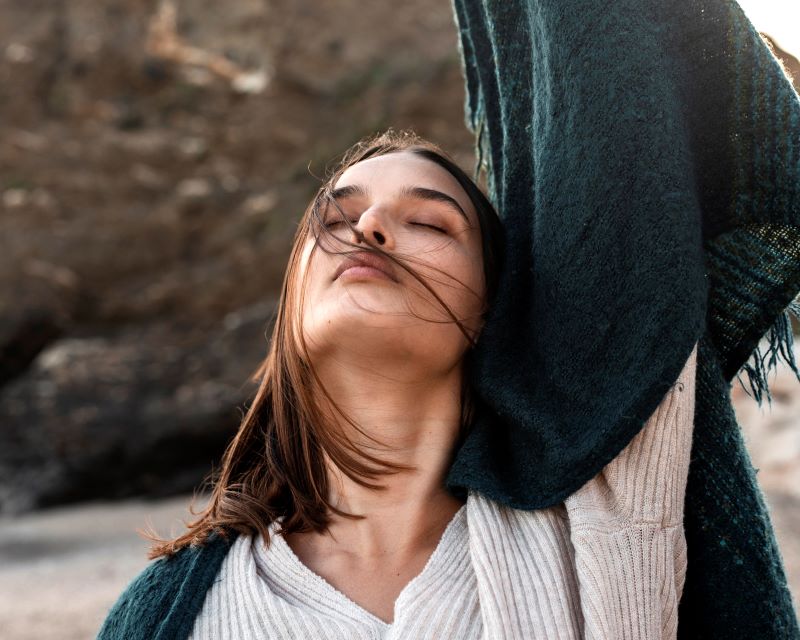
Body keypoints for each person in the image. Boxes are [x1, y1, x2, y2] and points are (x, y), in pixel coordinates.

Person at [97, 129, 698, 639]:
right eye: (336, 217)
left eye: (429, 223)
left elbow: (630, 162)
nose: (370, 225)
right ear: (295, 297)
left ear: (493, 307)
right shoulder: (169, 614)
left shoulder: (605, 527)